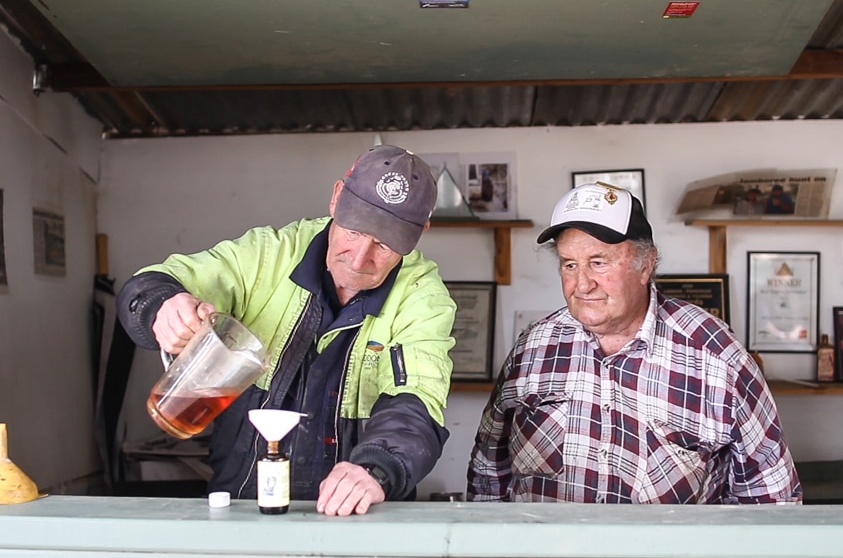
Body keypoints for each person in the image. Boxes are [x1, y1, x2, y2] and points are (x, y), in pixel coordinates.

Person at [117, 145, 457, 516]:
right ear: (337, 197)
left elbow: (416, 402)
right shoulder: (268, 254)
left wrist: (376, 468)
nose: (360, 258)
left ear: (421, 233)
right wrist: (163, 305)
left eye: (385, 243)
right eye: (354, 230)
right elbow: (158, 282)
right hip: (243, 509)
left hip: (358, 516)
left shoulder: (423, 296)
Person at [466, 182, 801, 504]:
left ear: (646, 265)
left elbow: (769, 496)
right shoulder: (533, 348)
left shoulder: (715, 355)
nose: (582, 284)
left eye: (599, 262)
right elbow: (488, 472)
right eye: (570, 264)